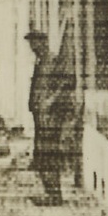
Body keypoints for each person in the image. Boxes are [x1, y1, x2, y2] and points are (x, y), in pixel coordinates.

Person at [27, 29, 78, 205]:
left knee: (49, 154)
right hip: (40, 116)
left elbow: (67, 83)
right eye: (31, 44)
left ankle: (55, 195)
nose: (32, 47)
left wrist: (51, 100)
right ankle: (49, 192)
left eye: (34, 43)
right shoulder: (40, 62)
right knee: (41, 154)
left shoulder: (53, 60)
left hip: (52, 116)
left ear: (43, 43)